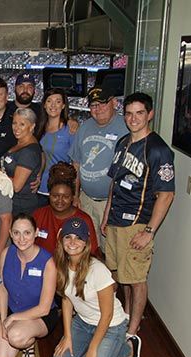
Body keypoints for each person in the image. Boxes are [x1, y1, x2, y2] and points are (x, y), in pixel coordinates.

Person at [101, 92, 175, 357]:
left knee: (137, 280)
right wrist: (107, 213)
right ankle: (126, 316)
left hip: (137, 224)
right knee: (121, 276)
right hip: (117, 220)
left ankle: (132, 334)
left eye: (139, 113)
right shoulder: (122, 142)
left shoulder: (158, 149)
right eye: (129, 113)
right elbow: (115, 181)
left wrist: (150, 231)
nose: (133, 119)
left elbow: (166, 194)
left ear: (150, 114)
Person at [50, 217, 130, 357]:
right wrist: (68, 336)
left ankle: (124, 348)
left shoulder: (98, 270)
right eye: (68, 236)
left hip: (111, 326)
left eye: (78, 238)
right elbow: (66, 300)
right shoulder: (60, 266)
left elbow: (107, 315)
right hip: (83, 322)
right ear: (61, 239)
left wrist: (93, 348)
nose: (72, 242)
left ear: (86, 242)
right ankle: (91, 346)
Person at [0, 214, 57, 357]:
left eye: (27, 232)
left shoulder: (48, 263)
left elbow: (44, 308)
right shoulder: (6, 254)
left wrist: (12, 319)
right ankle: (20, 334)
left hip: (40, 314)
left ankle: (29, 345)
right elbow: (2, 288)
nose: (21, 238)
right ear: (10, 233)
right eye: (16, 233)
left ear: (36, 233)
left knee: (15, 337)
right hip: (13, 308)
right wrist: (3, 318)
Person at [69, 86, 127, 250]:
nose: (98, 109)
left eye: (103, 103)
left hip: (111, 203)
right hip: (85, 200)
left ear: (114, 103)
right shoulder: (85, 127)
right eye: (94, 105)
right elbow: (76, 163)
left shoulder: (126, 127)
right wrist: (75, 195)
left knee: (111, 252)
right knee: (86, 249)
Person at [33, 162, 100, 257]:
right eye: (55, 196)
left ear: (73, 197)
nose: (60, 201)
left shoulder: (83, 219)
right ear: (49, 195)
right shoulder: (39, 214)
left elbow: (92, 253)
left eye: (66, 196)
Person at [37, 88, 75, 206]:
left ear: (63, 105)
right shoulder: (38, 128)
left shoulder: (70, 130)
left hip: (59, 191)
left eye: (58, 101)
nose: (53, 105)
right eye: (49, 101)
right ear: (44, 104)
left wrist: (75, 193)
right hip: (38, 188)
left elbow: (76, 163)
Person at [1, 108, 42, 215]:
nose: (16, 128)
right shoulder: (20, 142)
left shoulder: (29, 151)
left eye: (22, 124)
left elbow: (16, 186)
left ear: (32, 126)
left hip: (21, 206)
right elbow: (42, 155)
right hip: (11, 203)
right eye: (14, 123)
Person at [12, 72, 43, 138]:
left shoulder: (41, 111)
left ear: (34, 90)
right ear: (15, 89)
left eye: (30, 87)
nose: (25, 90)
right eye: (21, 86)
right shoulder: (5, 109)